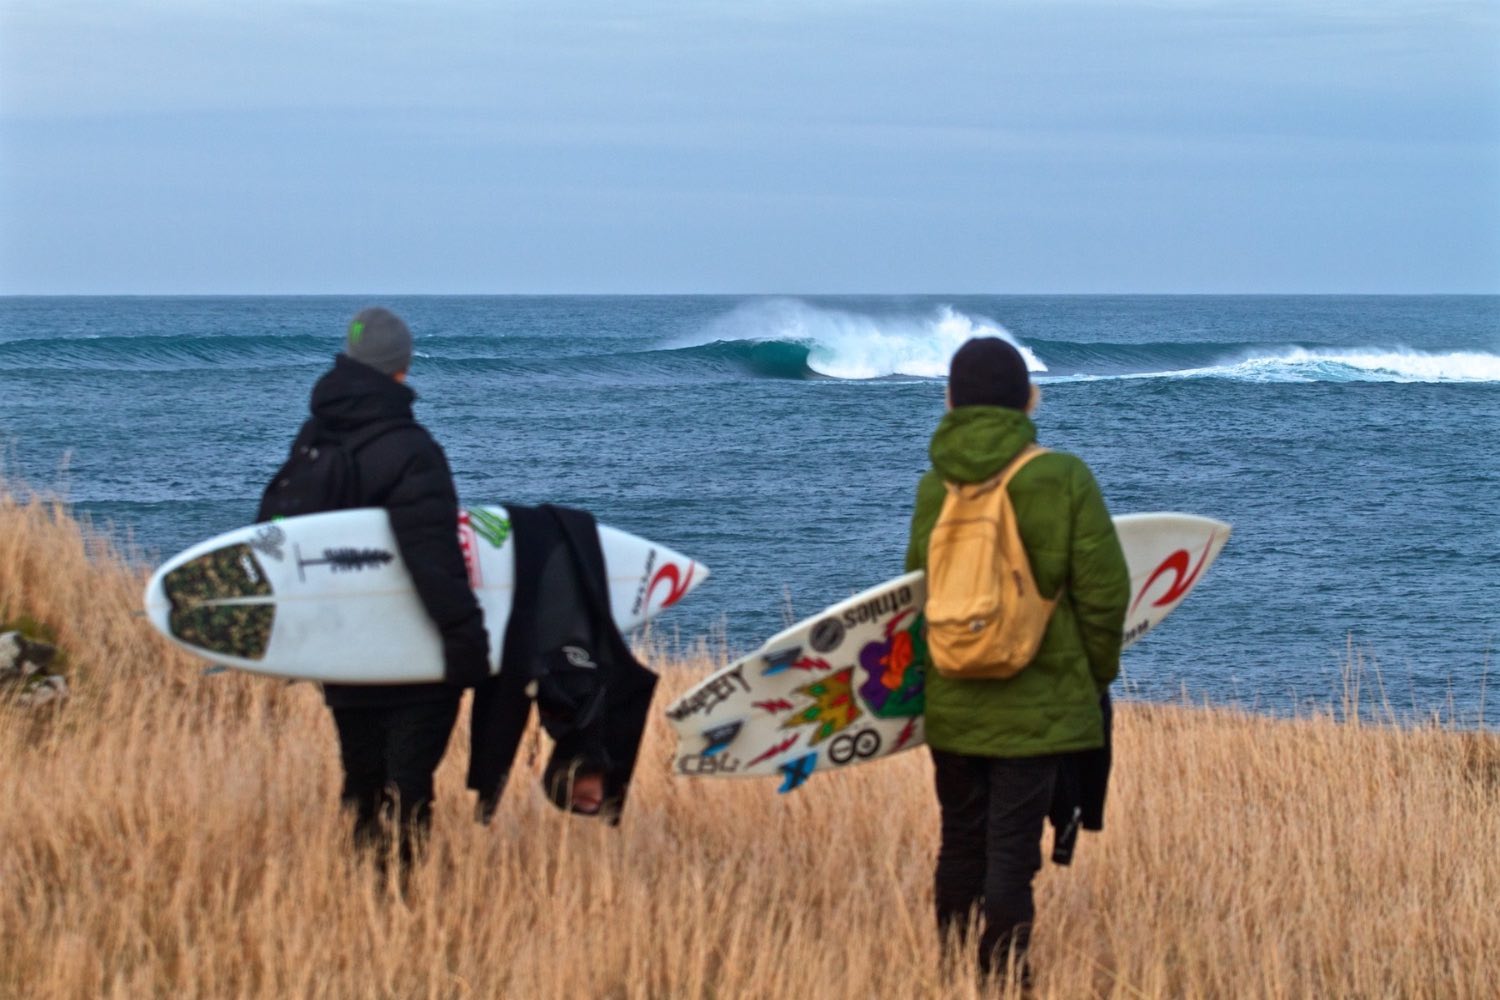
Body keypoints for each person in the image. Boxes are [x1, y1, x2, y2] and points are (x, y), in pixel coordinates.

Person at [905, 337, 1129, 987]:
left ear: (949, 401)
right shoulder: (1062, 477)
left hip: (952, 695)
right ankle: (1004, 980)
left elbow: (916, 589)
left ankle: (952, 971)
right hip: (1039, 704)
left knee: (960, 841)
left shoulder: (933, 485)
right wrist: (1092, 677)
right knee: (1010, 850)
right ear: (1030, 400)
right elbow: (1104, 592)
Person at [257, 306, 489, 869]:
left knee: (362, 779)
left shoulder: (313, 437)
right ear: (402, 369)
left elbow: (284, 538)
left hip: (342, 650)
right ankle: (397, 908)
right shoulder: (411, 448)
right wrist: (467, 642)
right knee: (407, 787)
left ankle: (360, 894)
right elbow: (432, 558)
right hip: (408, 653)